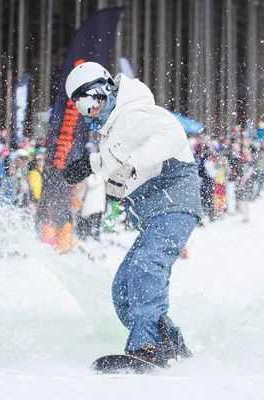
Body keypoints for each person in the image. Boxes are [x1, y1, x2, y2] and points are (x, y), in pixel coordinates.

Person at [63, 61, 201, 367]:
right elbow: (114, 158)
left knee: (145, 266)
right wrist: (89, 165)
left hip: (175, 200)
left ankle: (147, 345)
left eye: (92, 100)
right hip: (156, 212)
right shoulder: (111, 131)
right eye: (82, 107)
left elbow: (173, 135)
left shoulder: (133, 112)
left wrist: (131, 164)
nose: (91, 111)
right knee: (123, 290)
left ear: (105, 90)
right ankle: (171, 343)